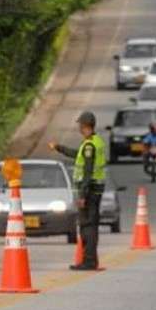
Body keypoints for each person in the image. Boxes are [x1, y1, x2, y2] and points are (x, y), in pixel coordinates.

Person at [49, 111, 106, 270]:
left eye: (81, 125)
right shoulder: (95, 141)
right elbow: (76, 155)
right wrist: (59, 148)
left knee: (87, 226)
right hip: (95, 189)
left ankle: (89, 261)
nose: (79, 128)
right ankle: (91, 260)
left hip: (89, 190)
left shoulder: (89, 145)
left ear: (86, 126)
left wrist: (82, 194)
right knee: (91, 225)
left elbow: (87, 171)